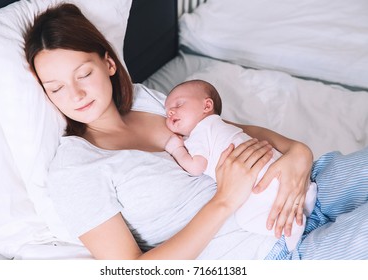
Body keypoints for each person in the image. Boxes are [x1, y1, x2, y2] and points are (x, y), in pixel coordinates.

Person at [23, 3, 368, 260]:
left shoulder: (148, 101)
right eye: (56, 88)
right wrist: (225, 200)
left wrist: (298, 153)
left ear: (109, 64)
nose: (76, 95)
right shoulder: (74, 168)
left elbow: (230, 129)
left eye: (83, 74)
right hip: (269, 250)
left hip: (308, 184)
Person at [164, 79, 317, 251]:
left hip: (257, 185)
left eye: (178, 104)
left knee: (245, 219)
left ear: (207, 106)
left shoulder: (197, 134)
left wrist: (177, 149)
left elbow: (196, 166)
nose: (170, 111)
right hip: (278, 167)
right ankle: (309, 194)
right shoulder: (220, 125)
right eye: (167, 111)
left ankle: (293, 226)